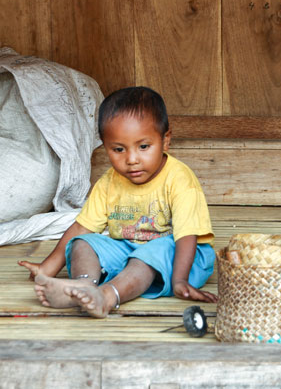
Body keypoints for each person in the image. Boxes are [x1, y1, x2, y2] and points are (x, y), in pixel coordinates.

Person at [18, 86, 217, 318]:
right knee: (84, 242)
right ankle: (84, 286)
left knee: (153, 251)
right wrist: (47, 267)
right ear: (105, 148)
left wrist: (181, 280)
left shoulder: (180, 179)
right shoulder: (108, 183)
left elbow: (186, 236)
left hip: (182, 258)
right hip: (130, 251)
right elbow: (82, 226)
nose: (131, 160)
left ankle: (108, 296)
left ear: (165, 141)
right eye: (119, 149)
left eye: (143, 147)